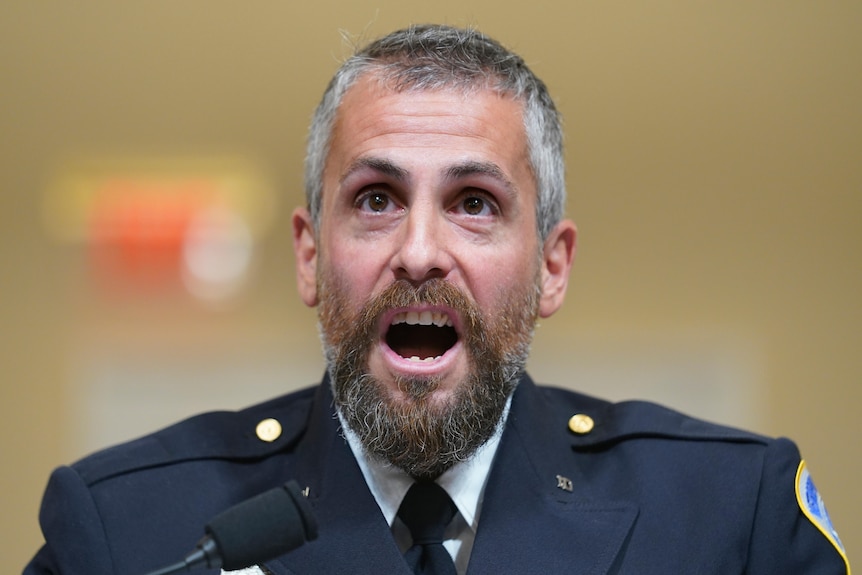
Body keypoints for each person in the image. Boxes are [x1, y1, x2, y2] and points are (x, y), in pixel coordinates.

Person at [25, 24, 850, 575]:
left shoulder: (732, 519)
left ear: (551, 268)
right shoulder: (127, 532)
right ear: (309, 255)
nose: (419, 252)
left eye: (475, 204)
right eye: (377, 198)